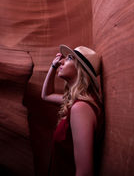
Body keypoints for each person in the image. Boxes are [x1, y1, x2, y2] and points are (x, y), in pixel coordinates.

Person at [41, 44, 104, 176]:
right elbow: (46, 95)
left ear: (80, 69)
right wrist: (53, 67)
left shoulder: (80, 108)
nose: (61, 61)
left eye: (69, 58)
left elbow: (85, 172)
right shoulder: (75, 102)